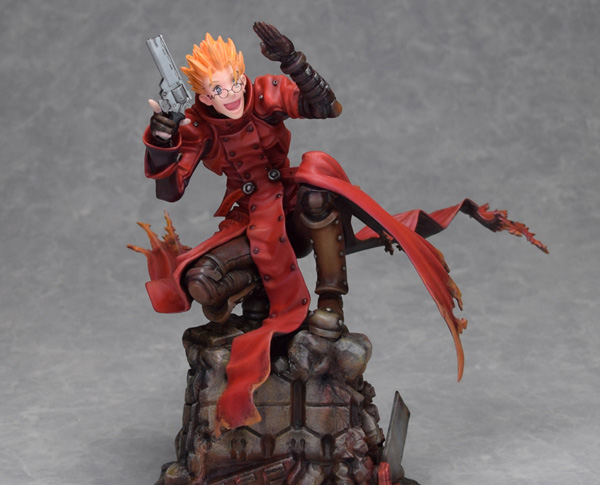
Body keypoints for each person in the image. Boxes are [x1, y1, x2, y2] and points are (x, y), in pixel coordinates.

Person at [135, 22, 547, 432]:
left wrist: (293, 61)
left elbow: (326, 107)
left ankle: (330, 302)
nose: (227, 95)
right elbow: (170, 191)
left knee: (318, 192)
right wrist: (163, 139)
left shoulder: (263, 95)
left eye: (232, 84)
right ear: (203, 95)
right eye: (215, 90)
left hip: (291, 208)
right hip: (248, 220)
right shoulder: (198, 127)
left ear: (243, 78)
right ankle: (256, 302)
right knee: (200, 282)